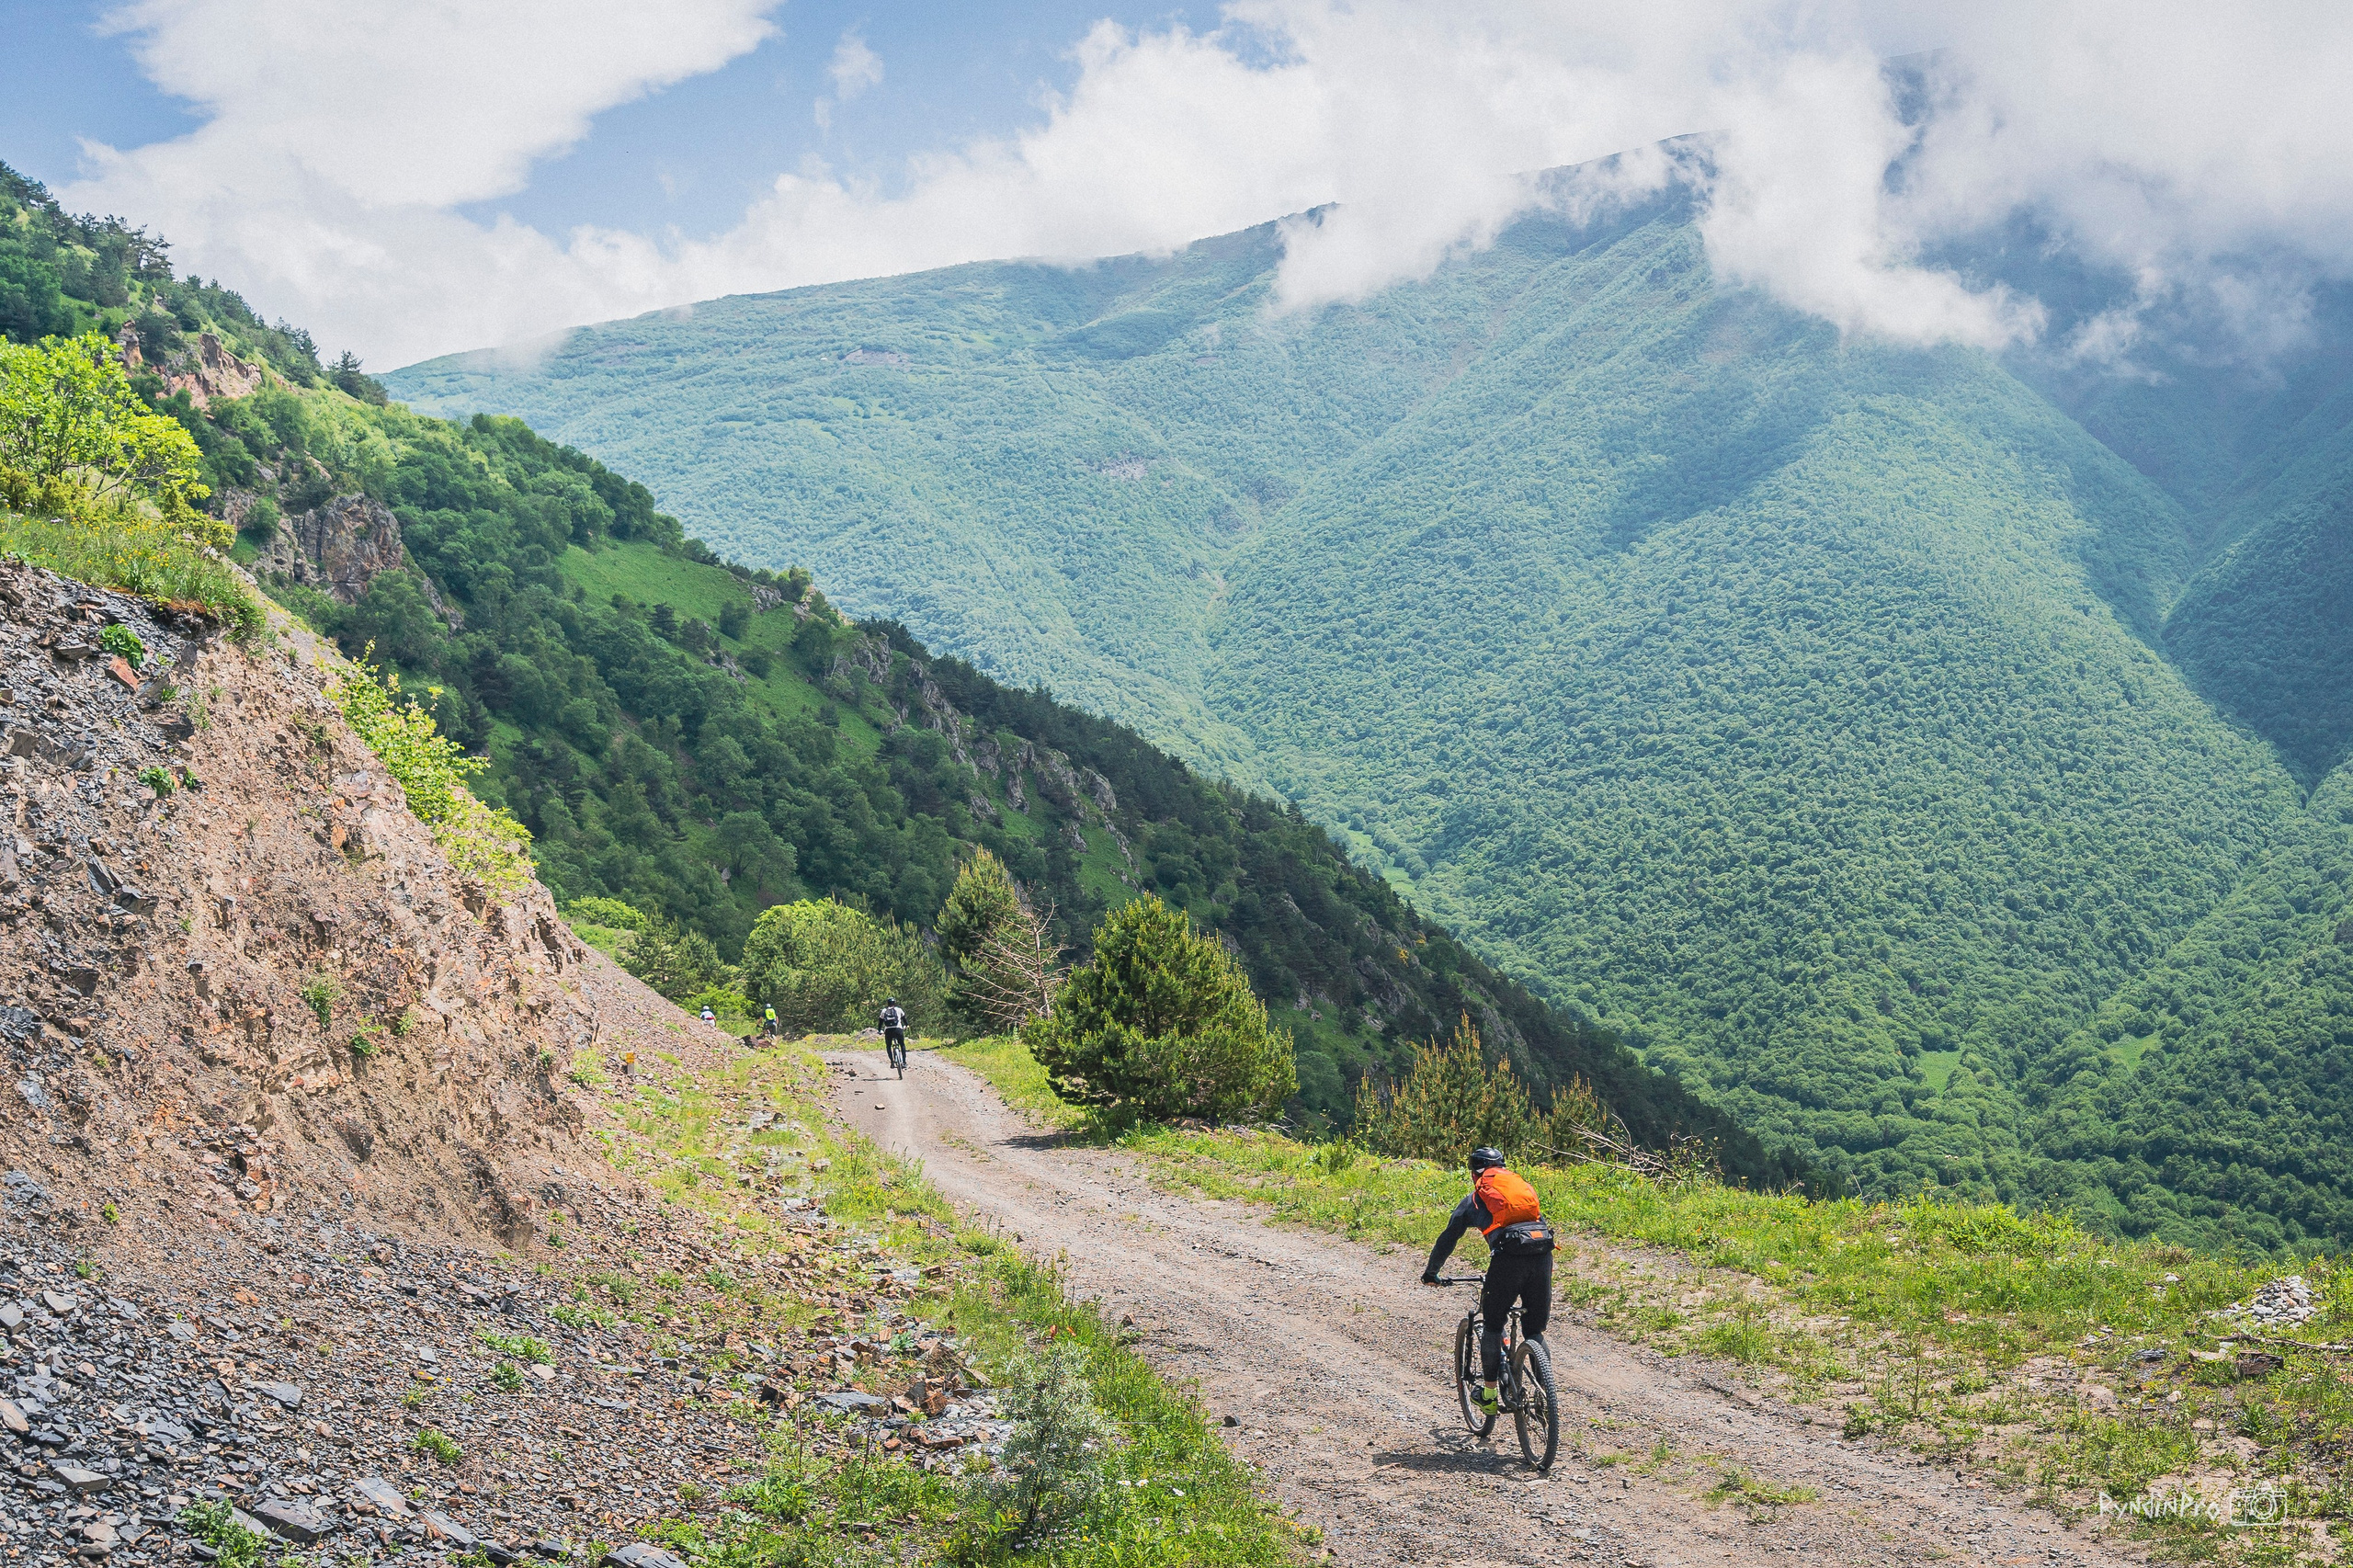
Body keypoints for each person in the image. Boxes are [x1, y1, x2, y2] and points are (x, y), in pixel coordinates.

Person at [1422, 1145, 1556, 1417]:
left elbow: (1448, 1239)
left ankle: (1490, 1394)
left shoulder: (1473, 1200)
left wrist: (1431, 1272)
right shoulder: (1520, 1190)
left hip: (1508, 1259)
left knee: (1493, 1325)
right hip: (1542, 1253)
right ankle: (1546, 1400)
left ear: (1474, 1174)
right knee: (1535, 1332)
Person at [879, 996, 909, 1069]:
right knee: (902, 1044)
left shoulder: (883, 1011)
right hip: (898, 1029)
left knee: (888, 1046)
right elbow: (904, 1019)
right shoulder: (899, 1010)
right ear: (894, 1003)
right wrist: (907, 1025)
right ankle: (904, 1062)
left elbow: (880, 1022)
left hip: (888, 1031)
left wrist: (879, 1030)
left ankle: (892, 1062)